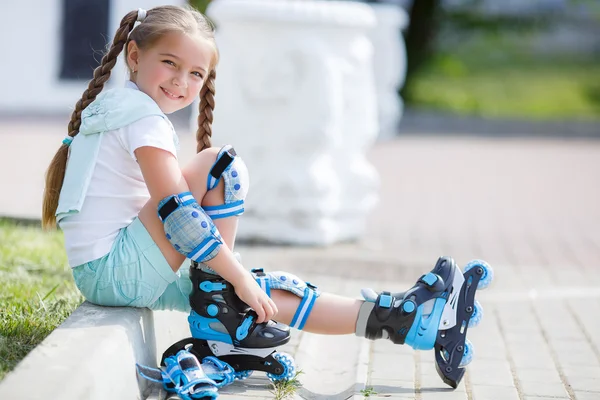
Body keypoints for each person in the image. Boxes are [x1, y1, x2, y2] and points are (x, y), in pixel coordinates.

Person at [42, 5, 491, 389]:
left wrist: (240, 280)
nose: (181, 81)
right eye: (170, 63)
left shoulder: (118, 106)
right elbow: (175, 211)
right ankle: (221, 310)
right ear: (135, 56)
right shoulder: (141, 117)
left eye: (195, 73)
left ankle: (407, 321)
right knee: (221, 165)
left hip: (109, 271)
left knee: (268, 290)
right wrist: (234, 275)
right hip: (117, 271)